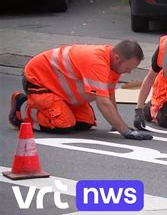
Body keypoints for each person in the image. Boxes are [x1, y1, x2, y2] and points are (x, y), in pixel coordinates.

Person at [8, 40, 153, 140]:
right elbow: (102, 102)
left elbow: (109, 95)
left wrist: (115, 125)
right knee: (63, 123)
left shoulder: (113, 65)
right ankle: (23, 109)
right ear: (117, 57)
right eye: (128, 68)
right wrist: (125, 131)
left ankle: (52, 107)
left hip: (58, 89)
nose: (128, 73)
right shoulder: (97, 62)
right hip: (38, 82)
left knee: (85, 122)